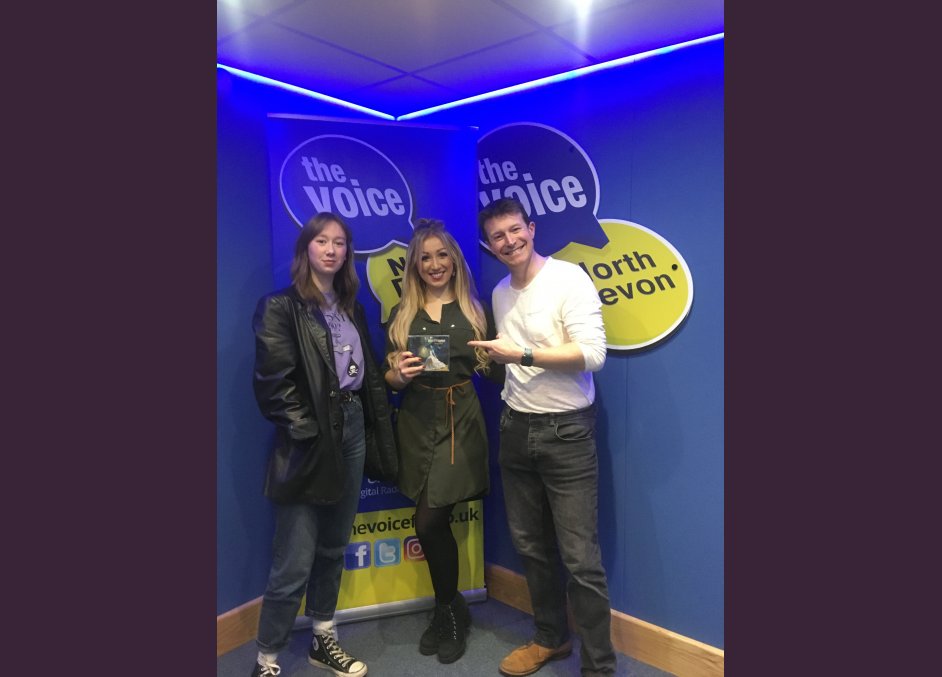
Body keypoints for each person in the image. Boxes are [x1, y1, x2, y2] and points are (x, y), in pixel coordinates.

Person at [469, 198, 616, 677]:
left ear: (531, 229)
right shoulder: (499, 293)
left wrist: (523, 355)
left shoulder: (568, 278)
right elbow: (508, 359)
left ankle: (599, 668)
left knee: (580, 560)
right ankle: (551, 638)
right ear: (490, 245)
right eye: (498, 236)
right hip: (515, 427)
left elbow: (593, 354)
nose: (509, 241)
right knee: (531, 547)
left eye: (515, 230)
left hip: (567, 431)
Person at [250, 212, 398, 677]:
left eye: (339, 242)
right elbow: (273, 388)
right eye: (322, 241)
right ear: (306, 249)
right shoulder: (280, 307)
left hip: (352, 428)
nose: (331, 250)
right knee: (294, 560)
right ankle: (267, 659)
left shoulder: (352, 306)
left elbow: (363, 373)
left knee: (334, 545)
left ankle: (323, 638)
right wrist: (311, 434)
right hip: (309, 441)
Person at [384, 218, 501, 664]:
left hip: (460, 420)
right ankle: (449, 609)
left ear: (454, 259)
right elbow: (387, 378)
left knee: (429, 522)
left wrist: (497, 356)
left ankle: (448, 612)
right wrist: (398, 376)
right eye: (425, 258)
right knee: (430, 522)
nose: (435, 264)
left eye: (441, 255)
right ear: (415, 265)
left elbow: (497, 371)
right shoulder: (402, 313)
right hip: (416, 421)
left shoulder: (476, 309)